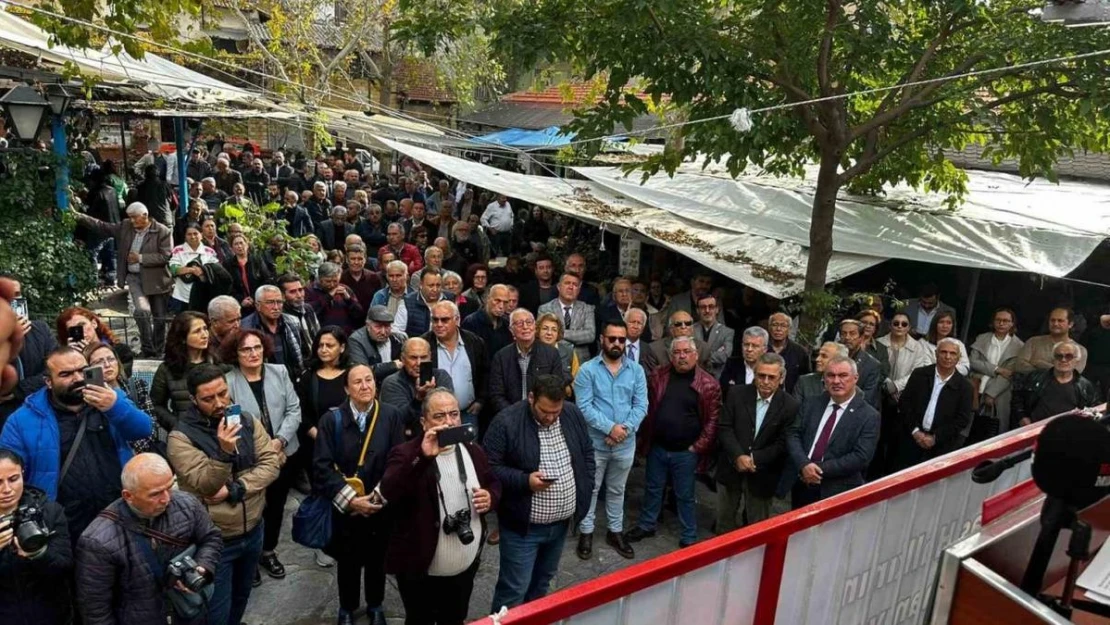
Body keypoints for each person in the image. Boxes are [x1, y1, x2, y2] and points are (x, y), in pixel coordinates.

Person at [167, 364, 280, 625]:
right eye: (208, 399)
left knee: (241, 599)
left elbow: (271, 464)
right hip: (215, 541)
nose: (219, 403)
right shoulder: (181, 438)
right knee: (216, 612)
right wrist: (224, 452)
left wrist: (236, 489)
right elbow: (206, 484)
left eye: (223, 393)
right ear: (194, 400)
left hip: (253, 529)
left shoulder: (248, 421)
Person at [0, 348, 153, 541]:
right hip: (64, 521)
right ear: (48, 382)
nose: (78, 378)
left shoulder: (110, 398)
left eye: (83, 370)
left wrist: (114, 406)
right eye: (66, 374)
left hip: (118, 509)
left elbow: (143, 429)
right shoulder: (22, 420)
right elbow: (9, 472)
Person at [380, 390, 501, 625]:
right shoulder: (406, 454)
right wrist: (422, 457)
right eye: (439, 416)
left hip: (465, 566)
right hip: (421, 572)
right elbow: (389, 491)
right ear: (424, 422)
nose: (449, 422)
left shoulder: (472, 449)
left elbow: (493, 482)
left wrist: (491, 497)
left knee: (455, 619)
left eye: (454, 414)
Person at [485, 374, 595, 611]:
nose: (551, 417)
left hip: (560, 525)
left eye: (556, 412)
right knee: (514, 589)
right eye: (545, 411)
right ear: (531, 398)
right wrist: (525, 481)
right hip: (522, 528)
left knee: (541, 586)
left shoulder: (571, 414)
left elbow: (586, 453)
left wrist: (586, 487)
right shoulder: (506, 422)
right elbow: (489, 468)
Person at [76, 453, 222, 625]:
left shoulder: (187, 504)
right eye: (155, 494)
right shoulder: (97, 541)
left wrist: (202, 566)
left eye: (170, 487)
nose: (166, 499)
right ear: (128, 495)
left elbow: (211, 537)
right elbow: (96, 610)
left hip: (189, 612)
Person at [313, 365, 406, 625]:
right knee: (348, 560)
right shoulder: (331, 420)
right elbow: (321, 466)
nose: (365, 386)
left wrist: (376, 499)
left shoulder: (391, 415)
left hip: (379, 504)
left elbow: (398, 461)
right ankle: (347, 607)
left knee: (378, 559)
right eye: (358, 382)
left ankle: (376, 605)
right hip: (347, 505)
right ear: (346, 388)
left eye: (369, 380)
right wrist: (352, 501)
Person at [221, 330, 303, 580]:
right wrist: (265, 451)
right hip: (249, 460)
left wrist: (279, 442)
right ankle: (251, 559)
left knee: (277, 505)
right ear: (235, 353)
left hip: (285, 451)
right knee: (254, 506)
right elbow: (233, 423)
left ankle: (268, 551)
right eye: (246, 349)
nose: (253, 353)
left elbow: (294, 409)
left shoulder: (279, 371)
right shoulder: (228, 381)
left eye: (257, 347)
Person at [626, 337, 721, 547]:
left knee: (685, 495)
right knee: (652, 488)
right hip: (658, 447)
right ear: (671, 355)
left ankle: (689, 535)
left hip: (686, 452)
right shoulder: (658, 375)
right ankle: (646, 525)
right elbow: (647, 407)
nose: (682, 356)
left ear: (695, 355)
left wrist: (697, 447)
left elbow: (713, 421)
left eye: (686, 351)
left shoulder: (708, 384)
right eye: (677, 352)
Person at [573, 318, 648, 560]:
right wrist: (610, 429)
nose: (617, 343)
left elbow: (642, 405)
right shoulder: (587, 370)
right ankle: (586, 531)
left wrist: (622, 429)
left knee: (617, 489)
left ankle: (615, 531)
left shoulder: (636, 370)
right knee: (591, 488)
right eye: (612, 338)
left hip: (625, 443)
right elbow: (583, 407)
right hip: (595, 443)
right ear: (602, 340)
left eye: (622, 339)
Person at [780, 356, 880, 509]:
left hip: (838, 490)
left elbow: (861, 457)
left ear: (855, 378)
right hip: (802, 483)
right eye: (831, 375)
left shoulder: (869, 416)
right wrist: (804, 464)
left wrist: (817, 469)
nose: (836, 381)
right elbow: (793, 434)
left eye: (843, 375)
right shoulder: (811, 403)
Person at [74, 202, 173, 357]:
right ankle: (148, 349)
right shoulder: (126, 226)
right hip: (134, 278)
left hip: (156, 280)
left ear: (145, 216)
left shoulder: (162, 231)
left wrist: (140, 258)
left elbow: (166, 256)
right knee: (142, 311)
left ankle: (158, 351)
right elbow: (102, 226)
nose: (132, 221)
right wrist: (79, 216)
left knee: (159, 318)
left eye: (135, 218)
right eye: (130, 218)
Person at [716, 352, 799, 531]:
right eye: (761, 375)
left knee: (756, 529)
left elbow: (784, 442)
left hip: (763, 475)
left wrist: (755, 459)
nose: (766, 381)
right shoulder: (736, 394)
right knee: (723, 523)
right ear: (755, 374)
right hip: (731, 469)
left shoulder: (790, 406)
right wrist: (738, 456)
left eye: (771, 377)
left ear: (782, 378)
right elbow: (724, 427)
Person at [0, 449, 73, 625]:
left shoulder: (48, 511)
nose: (7, 489)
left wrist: (39, 554)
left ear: (23, 474)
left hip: (50, 615)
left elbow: (65, 567)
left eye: (13, 479)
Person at [892, 339, 974, 471]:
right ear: (936, 353)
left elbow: (962, 420)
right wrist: (916, 431)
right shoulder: (919, 374)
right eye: (944, 352)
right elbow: (905, 403)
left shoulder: (965, 387)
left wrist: (935, 437)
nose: (948, 357)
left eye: (952, 353)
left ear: (958, 358)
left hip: (940, 448)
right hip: (909, 440)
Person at [84, 343, 159, 454]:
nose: (107, 364)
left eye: (111, 359)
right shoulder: (89, 396)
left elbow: (152, 430)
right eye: (99, 362)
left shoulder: (137, 385)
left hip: (140, 456)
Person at [422, 301, 487, 429]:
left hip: (468, 413)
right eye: (435, 320)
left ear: (457, 320)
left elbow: (485, 372)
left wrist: (481, 400)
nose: (438, 324)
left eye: (444, 320)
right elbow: (423, 382)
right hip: (437, 419)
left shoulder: (474, 342)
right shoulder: (424, 345)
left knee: (468, 449)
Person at [489, 309, 567, 415]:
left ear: (535, 327)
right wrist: (514, 415)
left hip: (542, 415)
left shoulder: (551, 354)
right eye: (519, 323)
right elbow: (496, 395)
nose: (525, 327)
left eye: (529, 322)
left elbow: (557, 388)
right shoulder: (501, 357)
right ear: (511, 330)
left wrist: (540, 411)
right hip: (511, 416)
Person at [151, 312, 217, 431]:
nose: (205, 335)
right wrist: (177, 425)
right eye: (197, 331)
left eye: (205, 329)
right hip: (185, 432)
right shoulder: (167, 369)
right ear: (182, 338)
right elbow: (156, 405)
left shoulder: (216, 362)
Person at [1014, 340, 1102, 426]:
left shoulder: (1086, 386)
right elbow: (1018, 398)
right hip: (1035, 431)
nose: (1063, 360)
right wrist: (1022, 417)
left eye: (1069, 356)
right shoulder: (1035, 377)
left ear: (1077, 361)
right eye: (1059, 356)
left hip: (1070, 433)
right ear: (1053, 360)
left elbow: (1094, 412)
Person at [380, 338, 455, 435]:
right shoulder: (392, 383)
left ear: (430, 357)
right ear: (403, 359)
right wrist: (419, 399)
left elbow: (449, 411)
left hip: (442, 435)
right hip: (407, 441)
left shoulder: (441, 376)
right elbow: (398, 419)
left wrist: (430, 396)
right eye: (413, 358)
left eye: (423, 357)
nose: (419, 363)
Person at [968, 308, 1025, 432]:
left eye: (1006, 321)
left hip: (1000, 391)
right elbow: (973, 362)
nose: (1001, 323)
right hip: (976, 386)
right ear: (993, 322)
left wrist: (991, 393)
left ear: (1012, 324)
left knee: (993, 431)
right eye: (998, 320)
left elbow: (1010, 374)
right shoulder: (982, 338)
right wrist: (997, 369)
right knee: (968, 428)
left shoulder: (1019, 346)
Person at [243, 285, 310, 380]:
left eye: (279, 302)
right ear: (258, 306)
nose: (276, 307)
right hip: (265, 381)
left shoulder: (292, 322)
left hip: (294, 380)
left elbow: (303, 352)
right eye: (270, 302)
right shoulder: (247, 327)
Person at [56, 306, 135, 377]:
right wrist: (71, 356)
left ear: (94, 323)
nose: (80, 331)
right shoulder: (69, 358)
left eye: (82, 324)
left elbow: (121, 378)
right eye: (73, 329)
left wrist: (89, 354)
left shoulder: (120, 350)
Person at [538, 273, 596, 364]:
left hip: (581, 363)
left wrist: (559, 332)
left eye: (575, 284)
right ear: (558, 287)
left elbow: (590, 335)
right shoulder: (545, 309)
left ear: (579, 290)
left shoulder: (587, 309)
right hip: (553, 359)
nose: (571, 287)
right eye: (567, 283)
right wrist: (577, 334)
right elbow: (544, 335)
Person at [1013, 307, 1089, 375]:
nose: (1055, 324)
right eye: (1052, 320)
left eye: (1060, 321)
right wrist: (1056, 370)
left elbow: (1072, 374)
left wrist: (1039, 363)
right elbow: (1019, 366)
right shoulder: (1033, 342)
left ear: (1070, 324)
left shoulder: (1080, 350)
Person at [876, 311, 932, 401]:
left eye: (904, 324)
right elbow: (876, 368)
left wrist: (896, 386)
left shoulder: (917, 347)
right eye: (896, 323)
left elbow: (916, 372)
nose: (900, 326)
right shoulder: (878, 343)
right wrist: (888, 385)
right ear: (890, 326)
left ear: (909, 327)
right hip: (879, 392)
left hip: (904, 394)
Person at [168, 223, 220, 313]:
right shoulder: (178, 250)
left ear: (201, 235)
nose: (192, 237)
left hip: (203, 295)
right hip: (181, 296)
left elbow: (215, 271)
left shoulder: (210, 252)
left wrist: (201, 272)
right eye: (189, 234)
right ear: (185, 236)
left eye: (195, 233)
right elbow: (174, 269)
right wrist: (193, 270)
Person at [307, 262, 365, 335]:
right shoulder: (309, 290)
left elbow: (359, 314)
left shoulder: (345, 289)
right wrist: (329, 296)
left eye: (335, 281)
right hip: (322, 336)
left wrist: (348, 300)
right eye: (328, 281)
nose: (332, 285)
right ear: (320, 279)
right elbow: (309, 312)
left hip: (344, 335)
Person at [837, 319, 882, 411]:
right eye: (844, 334)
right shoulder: (832, 358)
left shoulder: (872, 365)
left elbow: (868, 398)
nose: (847, 337)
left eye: (852, 334)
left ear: (861, 338)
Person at [644, 311, 710, 373]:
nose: (683, 327)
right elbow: (651, 378)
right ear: (671, 329)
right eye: (678, 324)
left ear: (692, 328)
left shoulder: (704, 348)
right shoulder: (655, 349)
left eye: (688, 323)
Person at [223, 233, 274, 313]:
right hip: (240, 305)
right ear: (232, 248)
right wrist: (241, 300)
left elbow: (266, 280)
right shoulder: (228, 264)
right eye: (236, 244)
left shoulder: (257, 260)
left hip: (259, 302)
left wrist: (254, 297)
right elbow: (228, 286)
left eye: (241, 243)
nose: (239, 246)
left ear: (247, 245)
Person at [396, 268, 452, 338]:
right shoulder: (407, 302)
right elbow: (397, 331)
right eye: (431, 285)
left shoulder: (450, 300)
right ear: (421, 284)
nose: (435, 289)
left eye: (438, 285)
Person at [462, 283, 513, 357]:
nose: (501, 306)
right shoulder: (471, 322)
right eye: (497, 301)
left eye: (505, 302)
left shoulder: (507, 324)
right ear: (488, 299)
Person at [718, 326, 770, 397]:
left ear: (765, 349)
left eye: (755, 346)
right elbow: (723, 391)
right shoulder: (732, 364)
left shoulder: (770, 368)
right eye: (746, 345)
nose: (749, 349)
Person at [792, 342, 847, 407]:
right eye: (818, 355)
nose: (817, 359)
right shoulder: (804, 382)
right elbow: (796, 411)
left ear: (839, 360)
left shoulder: (851, 388)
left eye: (824, 356)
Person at [537, 312, 579, 395]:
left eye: (554, 330)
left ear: (558, 333)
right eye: (545, 328)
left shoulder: (569, 351)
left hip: (564, 398)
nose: (549, 333)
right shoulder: (531, 350)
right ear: (538, 330)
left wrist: (567, 390)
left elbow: (577, 378)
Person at [693, 294, 734, 379]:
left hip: (717, 379)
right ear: (697, 310)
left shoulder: (727, 332)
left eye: (711, 307)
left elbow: (725, 357)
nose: (707, 310)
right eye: (703, 307)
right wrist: (714, 354)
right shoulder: (690, 330)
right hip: (693, 377)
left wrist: (698, 355)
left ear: (717, 309)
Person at [767, 312, 810, 393]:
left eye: (783, 326)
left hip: (791, 398)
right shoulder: (762, 349)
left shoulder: (800, 352)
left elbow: (805, 380)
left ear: (789, 329)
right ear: (769, 327)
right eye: (775, 325)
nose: (778, 329)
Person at [341, 243, 382, 310]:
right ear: (347, 260)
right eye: (353, 259)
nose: (356, 262)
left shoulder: (373, 277)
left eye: (360, 259)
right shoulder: (341, 278)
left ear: (365, 260)